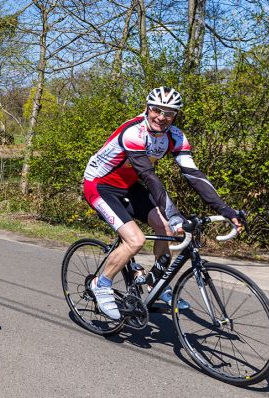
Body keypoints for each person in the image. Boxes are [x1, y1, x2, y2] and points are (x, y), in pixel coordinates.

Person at [83, 86, 243, 320]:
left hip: (129, 187)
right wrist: (175, 215)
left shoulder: (175, 136)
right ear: (147, 109)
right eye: (156, 110)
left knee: (165, 229)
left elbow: (193, 175)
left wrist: (225, 210)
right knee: (135, 239)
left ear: (175, 115)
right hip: (99, 186)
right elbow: (149, 177)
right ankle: (101, 284)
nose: (161, 117)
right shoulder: (133, 133)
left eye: (168, 112)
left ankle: (155, 284)